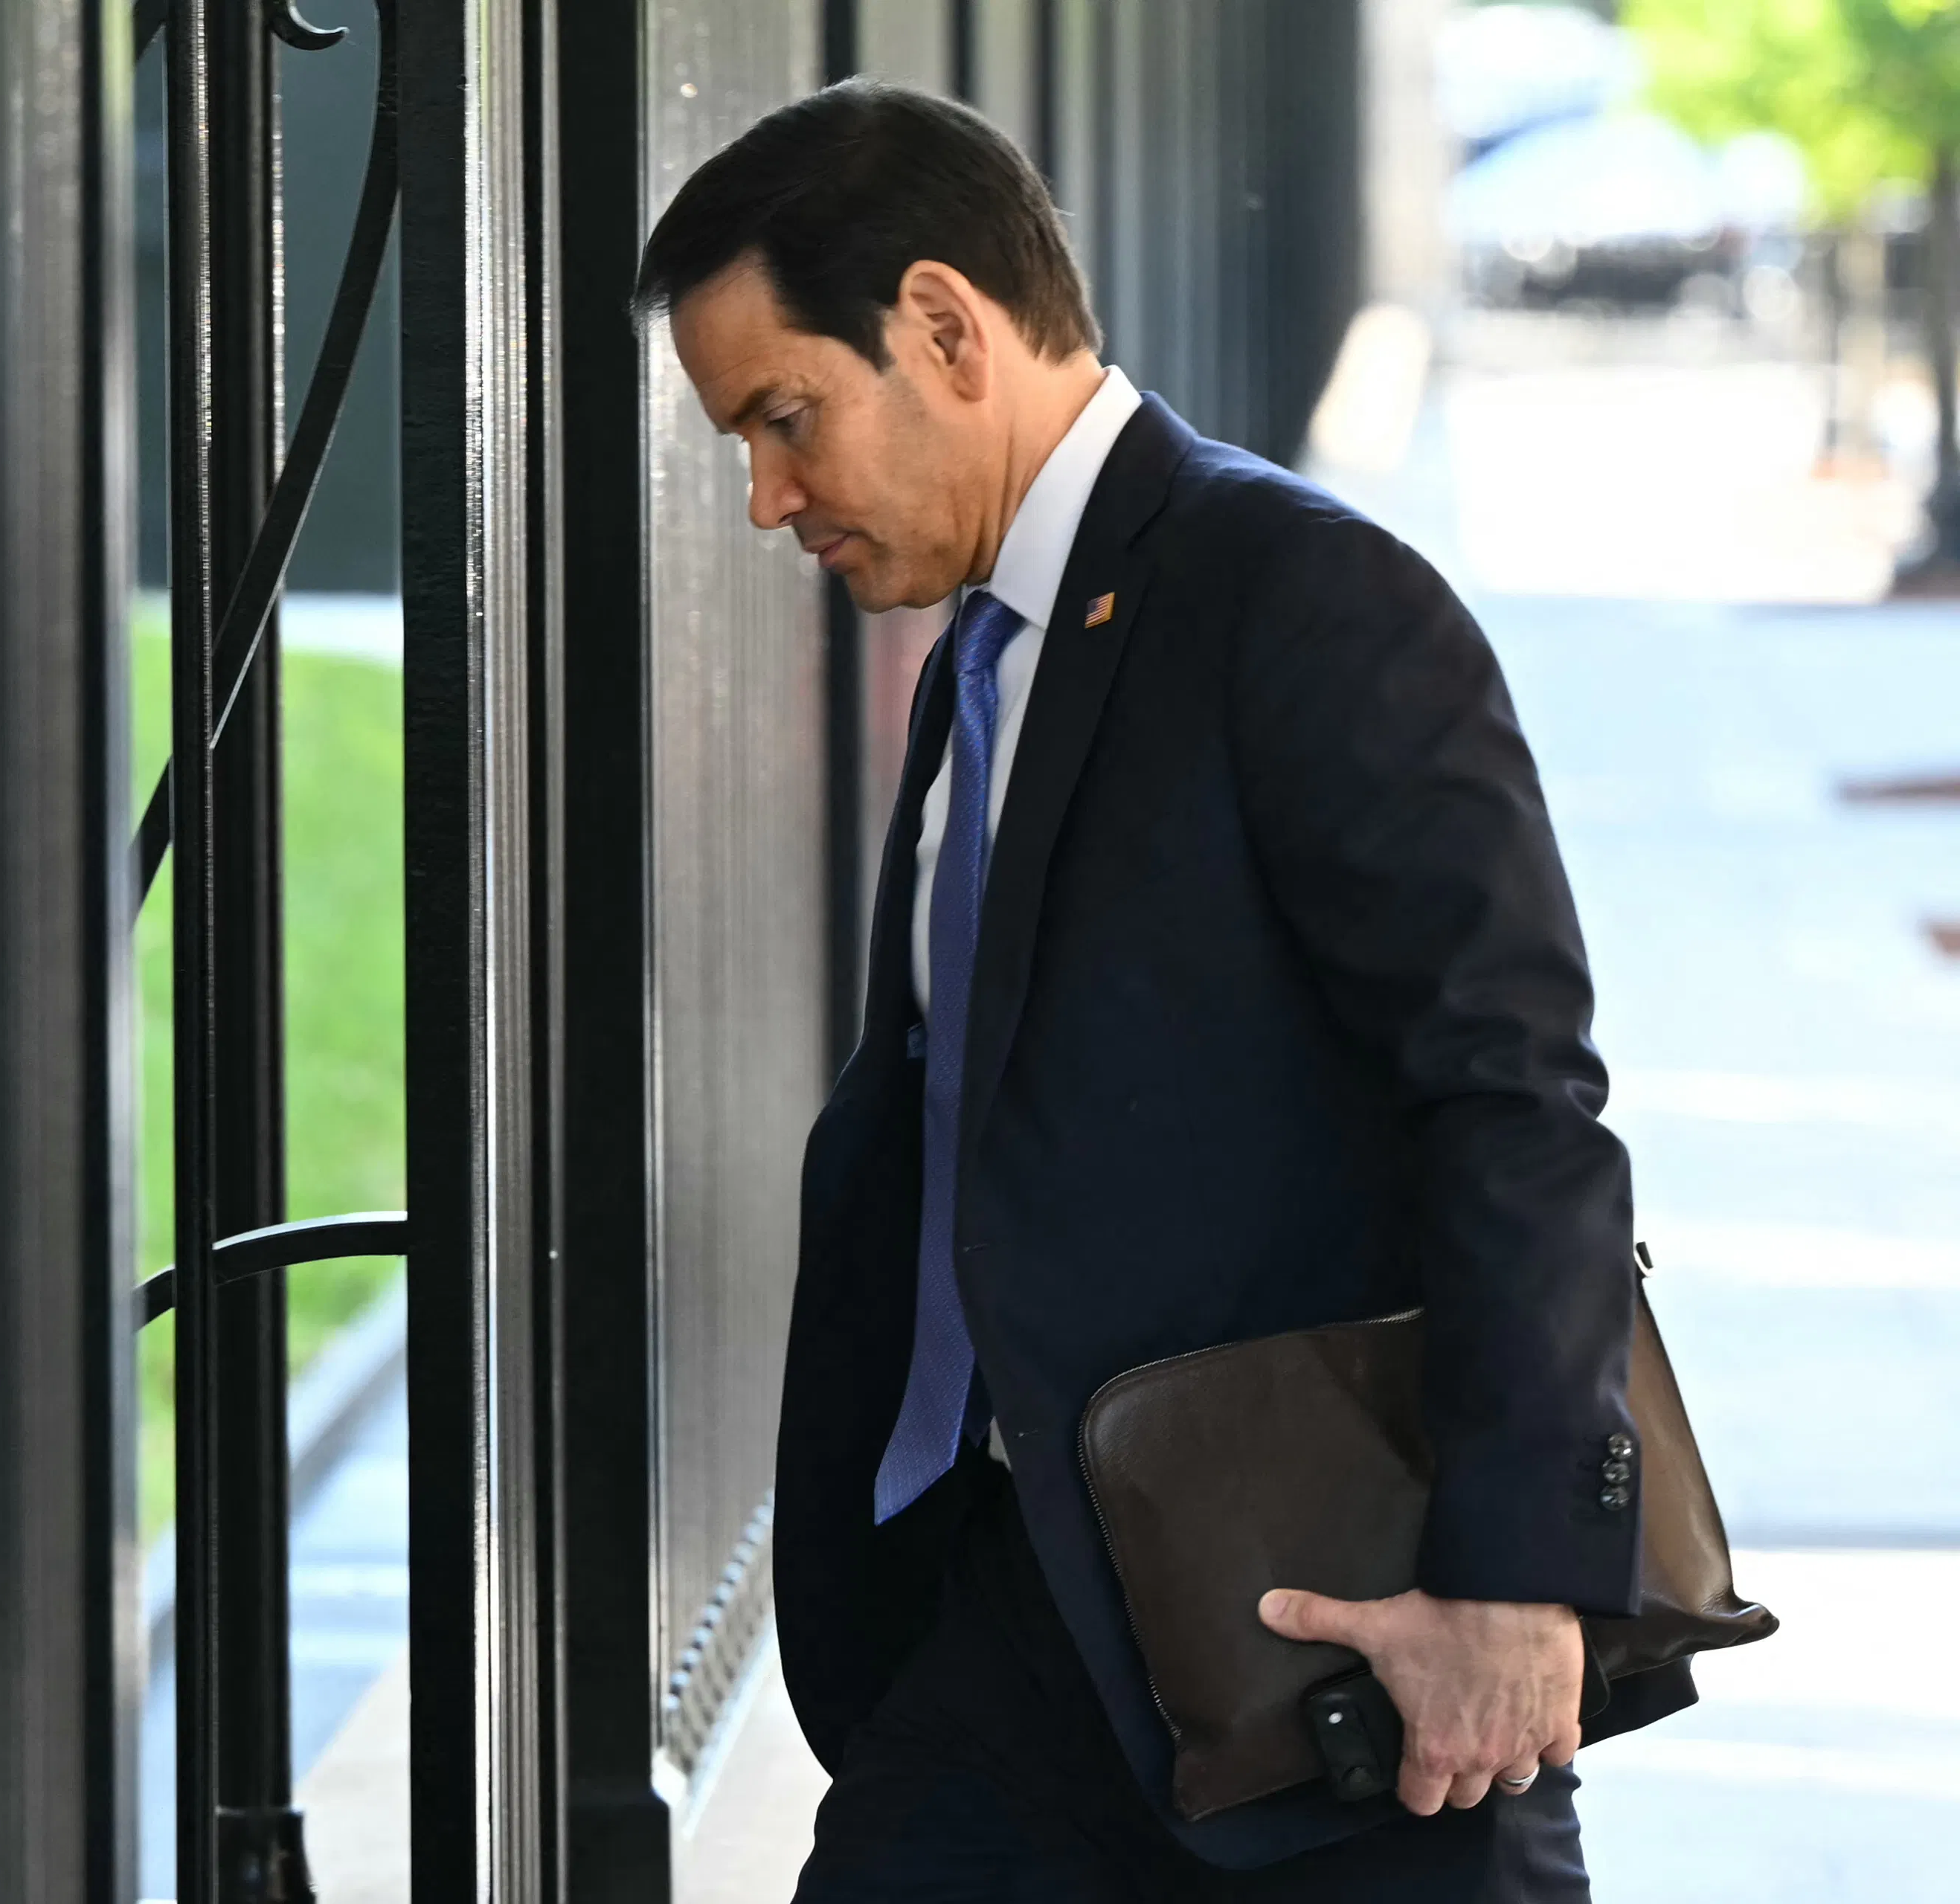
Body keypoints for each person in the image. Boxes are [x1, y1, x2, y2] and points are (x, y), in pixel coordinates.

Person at [633, 82, 1686, 1900]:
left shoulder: (1305, 599)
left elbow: (1512, 1096)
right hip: (1011, 1627)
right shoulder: (985, 657)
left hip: (1330, 1643)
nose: (765, 497)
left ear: (947, 329)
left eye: (785, 418)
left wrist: (1517, 1580)